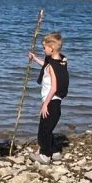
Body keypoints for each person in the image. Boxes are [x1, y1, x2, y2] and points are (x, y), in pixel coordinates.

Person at [28, 31, 69, 164]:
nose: (43, 49)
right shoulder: (61, 61)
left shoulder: (52, 66)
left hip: (51, 102)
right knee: (48, 129)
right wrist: (35, 59)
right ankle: (55, 153)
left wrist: (45, 104)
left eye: (44, 47)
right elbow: (47, 66)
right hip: (56, 103)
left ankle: (45, 156)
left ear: (51, 48)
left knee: (43, 132)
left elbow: (54, 87)